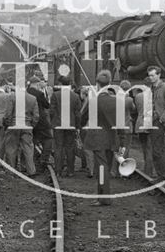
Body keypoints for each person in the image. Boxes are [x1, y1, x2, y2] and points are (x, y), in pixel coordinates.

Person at [83, 70, 126, 206]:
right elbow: (121, 124)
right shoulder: (117, 102)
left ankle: (104, 198)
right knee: (105, 167)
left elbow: (83, 117)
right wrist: (122, 141)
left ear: (97, 84)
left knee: (101, 168)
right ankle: (102, 196)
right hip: (112, 138)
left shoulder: (94, 101)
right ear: (109, 85)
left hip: (97, 139)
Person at [3, 86, 40, 177]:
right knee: (28, 148)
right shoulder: (32, 98)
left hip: (13, 125)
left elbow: (8, 113)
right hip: (27, 125)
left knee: (11, 148)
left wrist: (7, 124)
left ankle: (11, 171)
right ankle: (31, 171)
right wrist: (32, 125)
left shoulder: (12, 96)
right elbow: (36, 116)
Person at [50, 75, 81, 177]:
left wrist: (53, 122)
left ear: (60, 84)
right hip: (71, 125)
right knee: (70, 148)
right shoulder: (75, 96)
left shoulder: (55, 95)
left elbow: (52, 111)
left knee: (58, 147)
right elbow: (77, 114)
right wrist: (78, 126)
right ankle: (70, 171)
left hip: (58, 125)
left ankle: (58, 170)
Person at [147, 66, 165, 181]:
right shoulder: (151, 88)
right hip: (152, 121)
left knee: (158, 150)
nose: (151, 78)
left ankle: (162, 176)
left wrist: (162, 119)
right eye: (149, 76)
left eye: (153, 75)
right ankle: (160, 174)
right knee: (155, 149)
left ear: (159, 75)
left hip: (160, 122)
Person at [27, 76, 53, 173]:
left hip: (29, 121)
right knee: (48, 139)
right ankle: (43, 160)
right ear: (37, 84)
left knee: (31, 142)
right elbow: (47, 105)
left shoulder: (26, 92)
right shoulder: (39, 94)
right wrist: (49, 97)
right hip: (41, 121)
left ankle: (31, 162)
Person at [134, 79, 154, 176]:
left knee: (144, 148)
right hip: (150, 124)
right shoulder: (154, 96)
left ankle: (147, 168)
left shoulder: (138, 96)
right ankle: (149, 170)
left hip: (140, 124)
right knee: (150, 148)